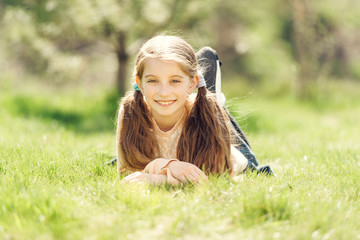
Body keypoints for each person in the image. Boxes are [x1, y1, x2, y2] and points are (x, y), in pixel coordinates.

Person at [116, 35, 271, 185]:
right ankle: (203, 90)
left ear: (192, 84)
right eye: (152, 80)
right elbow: (127, 173)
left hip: (230, 154)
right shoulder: (131, 110)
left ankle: (211, 93)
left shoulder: (209, 113)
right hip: (181, 132)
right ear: (139, 83)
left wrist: (160, 178)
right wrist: (169, 166)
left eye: (174, 80)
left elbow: (211, 179)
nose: (164, 92)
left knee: (212, 108)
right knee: (124, 157)